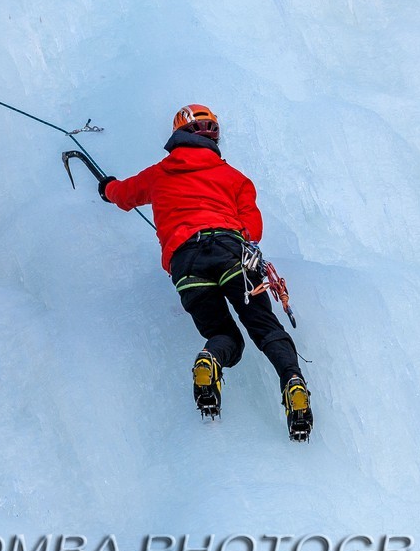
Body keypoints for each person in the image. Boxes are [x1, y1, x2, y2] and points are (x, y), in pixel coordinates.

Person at [97, 104, 312, 439]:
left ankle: (210, 359)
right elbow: (252, 230)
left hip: (187, 264)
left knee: (227, 339)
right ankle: (293, 382)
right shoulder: (235, 178)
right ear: (213, 137)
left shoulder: (157, 174)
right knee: (264, 327)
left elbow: (123, 195)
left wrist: (106, 187)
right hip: (232, 254)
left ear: (178, 135)